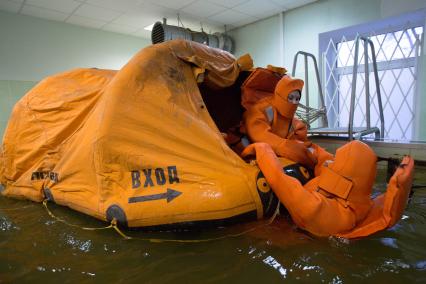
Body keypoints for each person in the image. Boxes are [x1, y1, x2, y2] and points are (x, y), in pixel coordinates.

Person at [241, 140, 414, 238]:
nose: (330, 162)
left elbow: (278, 178)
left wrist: (261, 148)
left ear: (342, 179)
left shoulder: (316, 209)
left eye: (335, 160)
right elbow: (327, 163)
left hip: (296, 238)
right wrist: (314, 148)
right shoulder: (361, 199)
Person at [243, 74, 319, 169]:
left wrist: (302, 146)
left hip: (278, 154)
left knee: (317, 152)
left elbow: (299, 136)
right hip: (251, 154)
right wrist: (288, 147)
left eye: (297, 99)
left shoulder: (290, 117)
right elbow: (260, 135)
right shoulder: (259, 110)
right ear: (280, 94)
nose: (294, 103)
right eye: (290, 98)